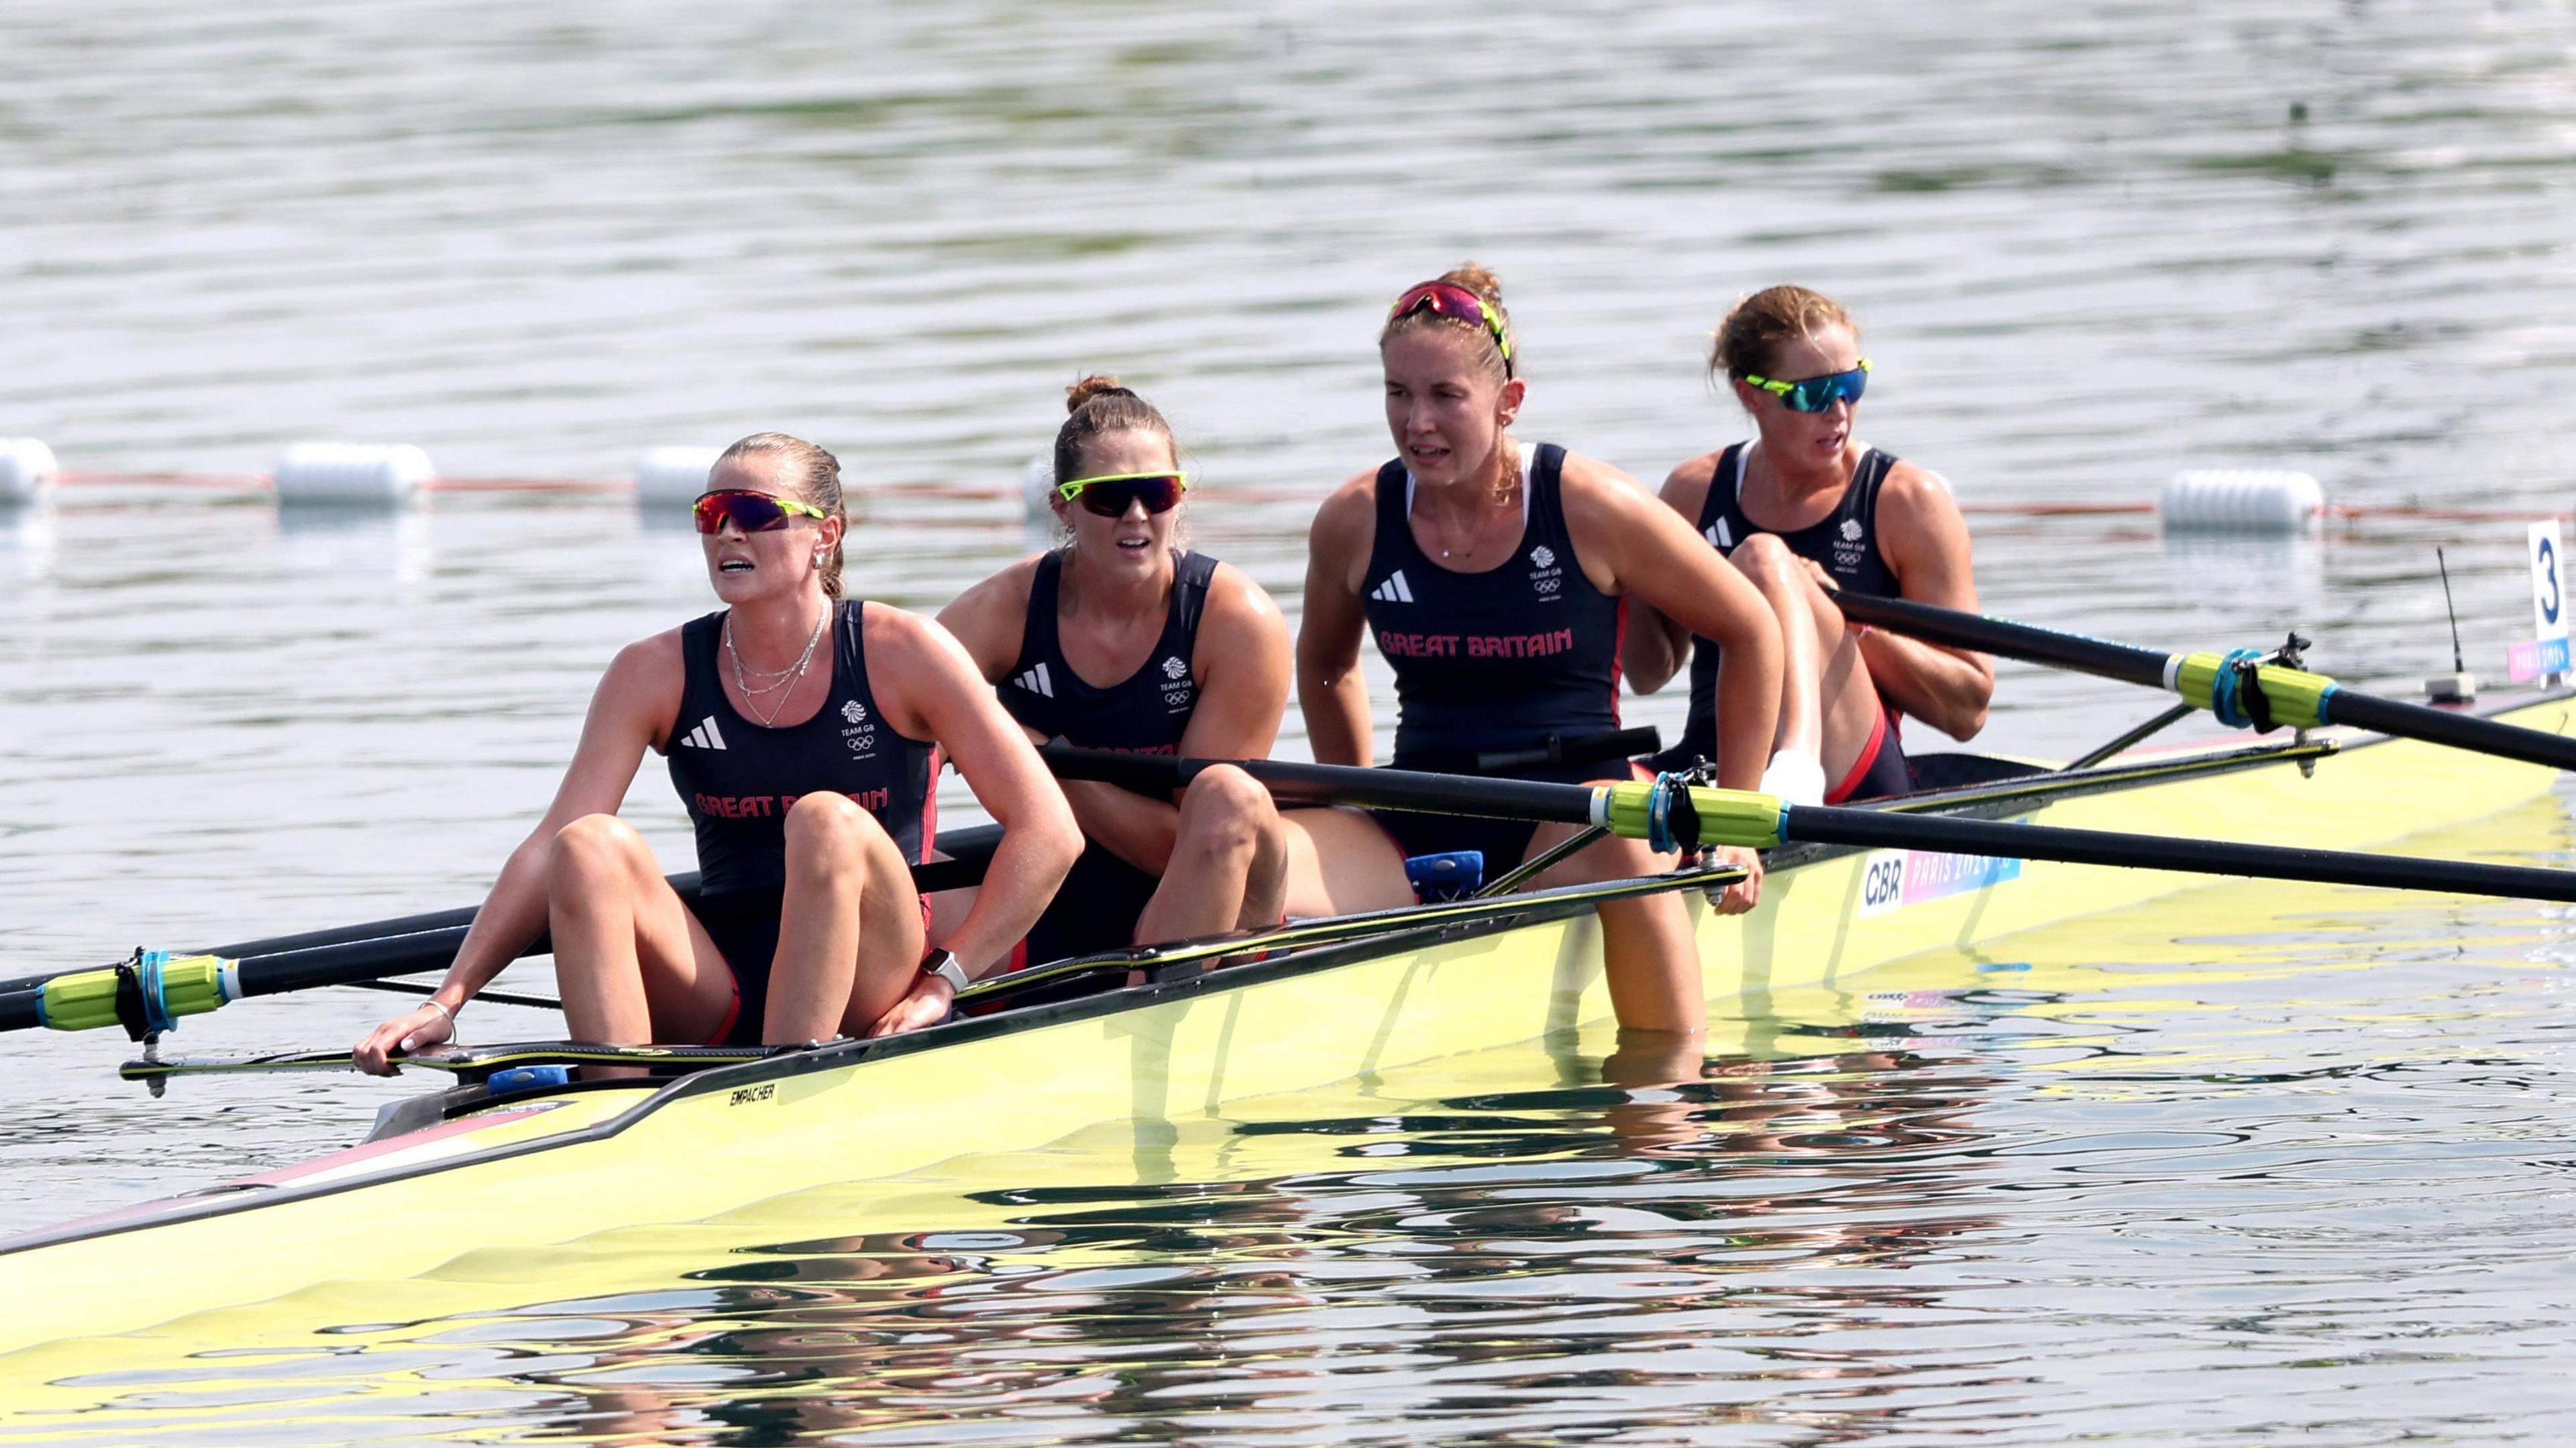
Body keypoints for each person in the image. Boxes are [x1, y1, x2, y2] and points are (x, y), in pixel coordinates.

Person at [353, 433, 1081, 1073]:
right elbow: (547, 846)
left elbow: (1049, 831)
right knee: (587, 843)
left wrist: (944, 982)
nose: (730, 532)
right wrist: (448, 1000)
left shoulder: (903, 650)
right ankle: (613, 1100)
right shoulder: (654, 669)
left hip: (871, 977)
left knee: (823, 819)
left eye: (758, 514)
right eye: (712, 515)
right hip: (721, 983)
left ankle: (790, 1076)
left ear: (825, 534)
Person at [1293, 264, 1789, 1036]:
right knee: (1251, 841)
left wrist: (1738, 818)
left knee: (1627, 845)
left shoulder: (1591, 505)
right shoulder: (1353, 520)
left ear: (1508, 402)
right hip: (1423, 808)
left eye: (1445, 397)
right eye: (1398, 393)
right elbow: (1328, 664)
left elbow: (1752, 626)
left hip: (1579, 811)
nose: (1416, 421)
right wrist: (1347, 792)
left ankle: (1669, 1096)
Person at [939, 376, 1297, 959]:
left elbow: (1186, 849)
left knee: (1227, 794)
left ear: (1179, 497)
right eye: (1109, 497)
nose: (1136, 515)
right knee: (888, 861)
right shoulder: (1002, 609)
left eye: (1156, 493)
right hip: (1054, 883)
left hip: (1200, 894)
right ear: (1063, 506)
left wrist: (1038, 757)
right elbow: (890, 715)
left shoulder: (1236, 620)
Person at [1625, 286, 1992, 802]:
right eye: (1813, 394)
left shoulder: (1906, 501)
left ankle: (1795, 764)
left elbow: (1969, 708)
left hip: (1853, 777)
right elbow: (1647, 672)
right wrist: (1622, 569)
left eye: (1852, 383)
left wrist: (1844, 622)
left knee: (1762, 557)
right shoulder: (1693, 492)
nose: (1839, 410)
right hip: (1716, 762)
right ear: (1750, 394)